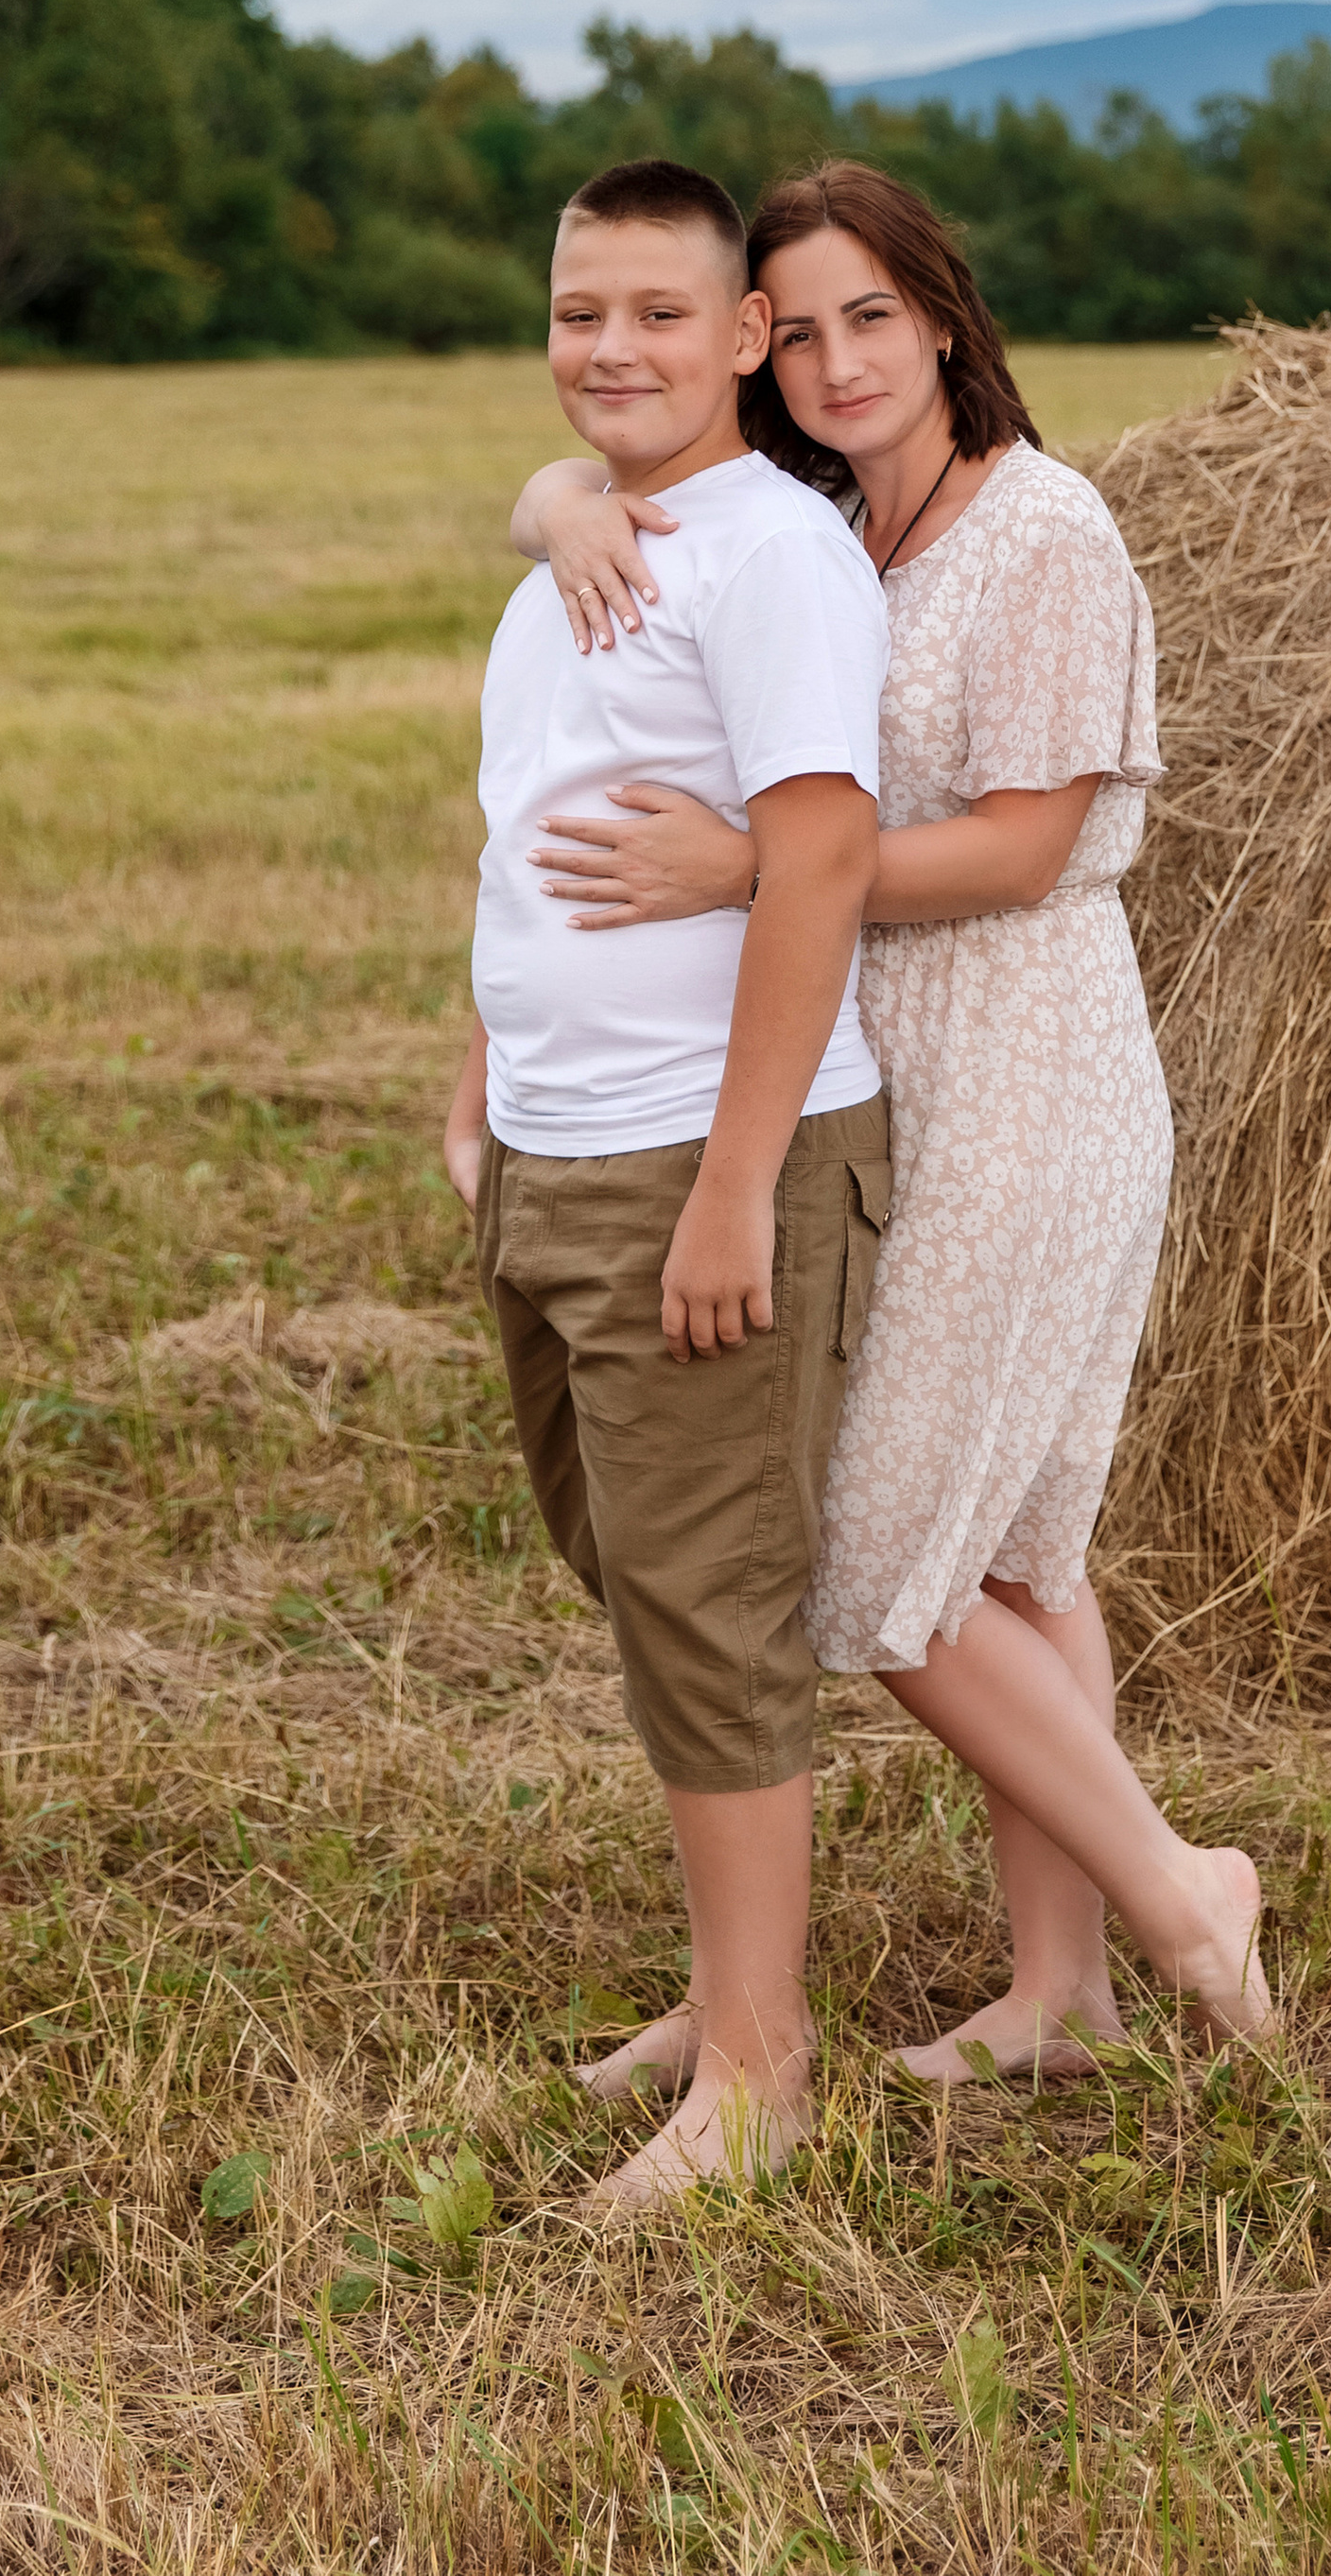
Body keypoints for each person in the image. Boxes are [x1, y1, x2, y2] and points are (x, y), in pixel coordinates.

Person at [510, 159, 1271, 2082]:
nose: (842, 359)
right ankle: (1060, 1991)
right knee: (1015, 1556)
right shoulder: (835, 526)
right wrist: (550, 504)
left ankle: (1184, 1895)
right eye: (807, 326)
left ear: (941, 317)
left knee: (871, 1565)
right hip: (873, 1058)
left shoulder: (1040, 534)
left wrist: (747, 874)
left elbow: (1027, 844)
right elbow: (618, 507)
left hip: (1020, 1069)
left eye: (876, 315)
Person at [442, 155, 893, 2208]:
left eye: (651, 314)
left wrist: (732, 1187)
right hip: (554, 1148)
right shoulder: (589, 551)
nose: (605, 348)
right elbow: (521, 832)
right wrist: (480, 1086)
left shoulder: (772, 561)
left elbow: (814, 863)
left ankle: (762, 2076)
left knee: (708, 1607)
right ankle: (723, 2002)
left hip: (697, 1157)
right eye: (573, 312)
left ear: (740, 341)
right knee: (632, 1579)